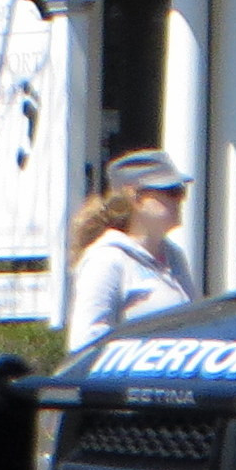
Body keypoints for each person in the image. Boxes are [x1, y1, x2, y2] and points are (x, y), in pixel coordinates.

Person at [67, 150, 200, 351]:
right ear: (135, 196)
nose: (180, 199)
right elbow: (86, 344)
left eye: (181, 191)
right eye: (171, 191)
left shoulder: (175, 257)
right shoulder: (107, 259)